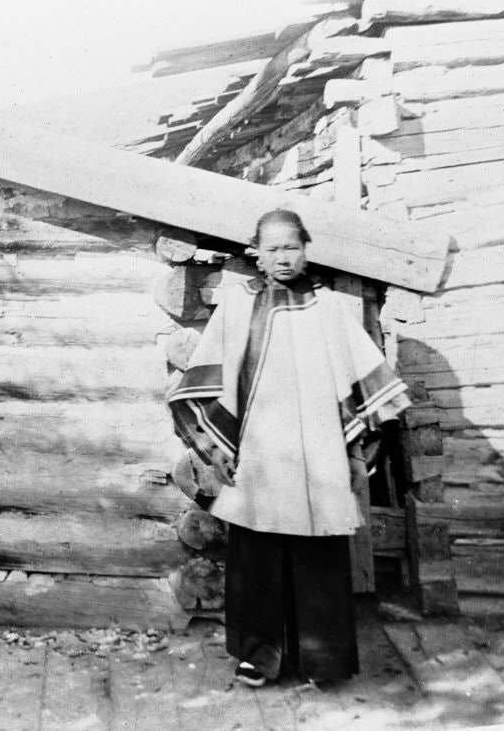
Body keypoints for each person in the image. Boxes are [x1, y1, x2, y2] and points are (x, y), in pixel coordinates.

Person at [167, 208, 410, 688]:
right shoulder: (237, 309)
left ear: (305, 249)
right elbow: (204, 382)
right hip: (257, 456)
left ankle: (324, 661)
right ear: (257, 255)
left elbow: (367, 386)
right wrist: (220, 448)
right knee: (257, 556)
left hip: (318, 453)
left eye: (292, 247)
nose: (283, 257)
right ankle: (258, 657)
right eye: (273, 248)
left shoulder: (332, 310)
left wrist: (357, 448)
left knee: (318, 556)